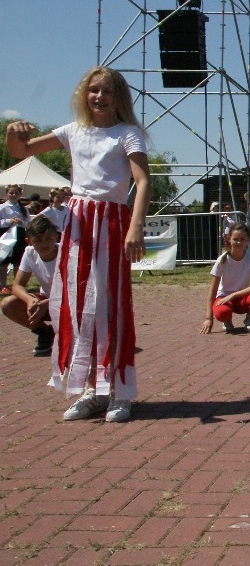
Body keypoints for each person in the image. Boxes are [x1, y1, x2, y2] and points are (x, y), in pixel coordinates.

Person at [5, 65, 151, 423]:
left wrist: (136, 226)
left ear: (119, 98)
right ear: (84, 94)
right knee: (77, 304)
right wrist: (13, 131)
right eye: (94, 90)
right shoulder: (73, 131)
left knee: (111, 304)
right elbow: (20, 151)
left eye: (107, 91)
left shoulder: (127, 134)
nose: (99, 97)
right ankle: (91, 389)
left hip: (112, 221)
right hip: (78, 222)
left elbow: (143, 180)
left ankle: (119, 390)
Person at [0, 215, 59, 356]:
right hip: (45, 300)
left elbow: (77, 290)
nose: (44, 244)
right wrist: (29, 300)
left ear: (56, 237)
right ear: (29, 242)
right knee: (8, 304)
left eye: (48, 239)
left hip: (69, 302)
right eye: (38, 240)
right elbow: (17, 285)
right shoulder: (29, 253)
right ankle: (45, 333)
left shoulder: (67, 254)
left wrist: (50, 303)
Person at [200, 222, 250, 334]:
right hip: (224, 297)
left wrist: (234, 295)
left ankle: (249, 318)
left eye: (242, 239)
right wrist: (209, 319)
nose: (239, 242)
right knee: (222, 312)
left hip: (241, 298)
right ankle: (227, 320)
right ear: (230, 239)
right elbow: (213, 291)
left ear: (247, 240)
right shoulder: (222, 260)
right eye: (235, 239)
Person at [0, 184, 29, 294]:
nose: (13, 195)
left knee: (17, 262)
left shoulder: (23, 209)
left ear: (20, 194)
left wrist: (22, 223)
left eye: (16, 193)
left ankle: (17, 285)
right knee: (4, 262)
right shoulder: (2, 208)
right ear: (6, 194)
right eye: (11, 193)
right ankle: (3, 285)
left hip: (19, 235)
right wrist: (8, 221)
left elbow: (28, 223)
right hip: (5, 236)